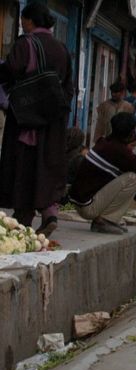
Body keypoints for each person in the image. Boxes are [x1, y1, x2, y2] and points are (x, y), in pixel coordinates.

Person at [0, 3, 74, 237]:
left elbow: (10, 70)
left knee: (23, 166)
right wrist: (54, 112)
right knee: (48, 167)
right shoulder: (62, 49)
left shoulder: (25, 44)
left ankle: (23, 217)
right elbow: (69, 88)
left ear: (30, 20)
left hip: (25, 119)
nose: (22, 24)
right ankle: (50, 213)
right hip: (53, 123)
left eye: (23, 19)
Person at [68, 112, 136, 235]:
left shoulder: (105, 142)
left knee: (129, 175)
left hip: (80, 203)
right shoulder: (119, 151)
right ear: (130, 133)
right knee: (134, 178)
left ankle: (105, 219)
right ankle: (105, 221)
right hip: (87, 207)